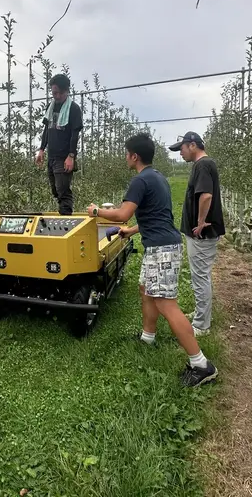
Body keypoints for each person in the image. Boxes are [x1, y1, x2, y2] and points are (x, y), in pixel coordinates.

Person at [86, 133, 218, 388]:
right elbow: (156, 216)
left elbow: (123, 213)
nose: (125, 157)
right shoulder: (157, 177)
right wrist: (132, 231)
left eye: (126, 153)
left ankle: (201, 365)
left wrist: (96, 211)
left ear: (134, 156)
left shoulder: (140, 180)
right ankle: (148, 337)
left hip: (162, 250)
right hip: (161, 244)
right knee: (146, 289)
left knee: (166, 304)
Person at [170, 131, 225, 336]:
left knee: (200, 276)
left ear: (192, 145)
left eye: (182, 149)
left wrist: (201, 222)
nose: (180, 153)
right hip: (200, 233)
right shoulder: (203, 164)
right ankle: (201, 313)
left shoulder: (202, 165)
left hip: (201, 234)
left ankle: (202, 325)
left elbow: (206, 196)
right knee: (200, 275)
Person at [35, 73, 83, 214]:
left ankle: (66, 220)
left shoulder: (73, 109)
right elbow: (47, 129)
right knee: (55, 190)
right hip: (52, 156)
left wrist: (71, 156)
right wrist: (42, 149)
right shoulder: (51, 107)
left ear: (66, 91)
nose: (56, 96)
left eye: (59, 93)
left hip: (64, 157)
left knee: (63, 191)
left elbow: (75, 134)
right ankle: (63, 215)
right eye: (54, 93)